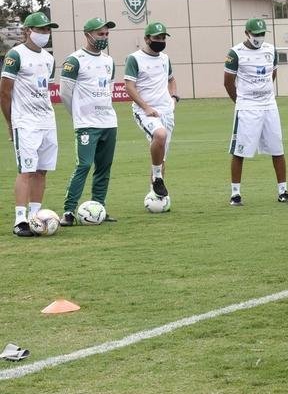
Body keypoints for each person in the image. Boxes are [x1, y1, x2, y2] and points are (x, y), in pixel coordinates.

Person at [2, 12, 59, 237]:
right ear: (27, 31)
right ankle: (20, 220)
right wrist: (10, 122)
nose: (45, 33)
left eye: (47, 30)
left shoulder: (49, 58)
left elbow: (45, 91)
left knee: (42, 170)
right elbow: (4, 92)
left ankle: (36, 217)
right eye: (41, 29)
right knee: (26, 169)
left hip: (47, 120)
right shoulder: (15, 55)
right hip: (25, 122)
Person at [224, 17, 288, 205]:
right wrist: (241, 101)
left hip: (269, 105)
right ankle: (235, 193)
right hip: (247, 107)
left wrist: (264, 92)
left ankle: (283, 191)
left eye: (262, 34)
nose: (259, 38)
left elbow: (272, 74)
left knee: (277, 148)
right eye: (255, 34)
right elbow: (228, 82)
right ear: (247, 33)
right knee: (240, 150)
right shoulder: (235, 53)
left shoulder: (271, 50)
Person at [59, 18, 119, 225]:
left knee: (104, 167)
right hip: (86, 124)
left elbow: (107, 88)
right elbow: (65, 93)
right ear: (87, 35)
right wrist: (77, 115)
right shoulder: (74, 60)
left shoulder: (109, 61)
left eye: (106, 34)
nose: (104, 38)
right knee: (83, 165)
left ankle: (98, 207)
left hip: (109, 122)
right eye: (100, 34)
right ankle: (68, 211)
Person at [124, 21, 178, 200]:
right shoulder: (135, 58)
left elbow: (171, 80)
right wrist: (146, 107)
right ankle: (157, 177)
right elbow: (129, 87)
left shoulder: (165, 58)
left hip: (166, 111)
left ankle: (155, 195)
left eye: (163, 38)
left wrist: (173, 97)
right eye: (157, 38)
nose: (161, 41)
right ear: (147, 39)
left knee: (161, 156)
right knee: (160, 135)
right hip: (145, 111)